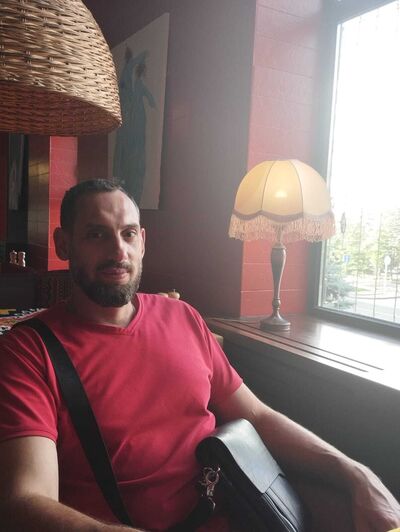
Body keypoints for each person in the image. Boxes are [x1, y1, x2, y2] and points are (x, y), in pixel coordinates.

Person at [0, 179, 399, 532]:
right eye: (96, 235)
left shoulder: (183, 317)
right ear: (63, 244)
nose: (118, 250)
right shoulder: (29, 351)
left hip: (242, 513)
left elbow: (256, 415)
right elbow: (25, 501)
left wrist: (356, 474)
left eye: (128, 234)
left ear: (143, 241)